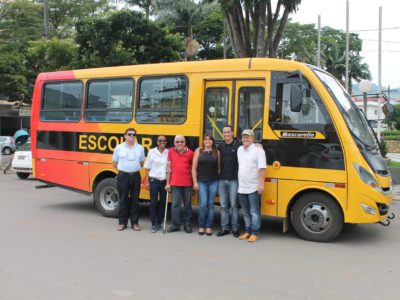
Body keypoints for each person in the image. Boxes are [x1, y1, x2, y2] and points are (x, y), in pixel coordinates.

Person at [112, 128, 145, 231]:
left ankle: (135, 223)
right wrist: (123, 170)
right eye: (129, 134)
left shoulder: (140, 148)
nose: (131, 136)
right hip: (123, 176)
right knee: (123, 199)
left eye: (134, 134)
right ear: (125, 136)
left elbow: (141, 162)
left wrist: (132, 169)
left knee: (135, 200)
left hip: (135, 176)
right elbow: (114, 162)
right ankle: (122, 223)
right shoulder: (119, 147)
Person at [237, 129, 266, 243]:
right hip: (242, 187)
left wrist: (261, 184)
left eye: (248, 137)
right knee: (246, 212)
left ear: (253, 138)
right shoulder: (239, 149)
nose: (246, 139)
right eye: (244, 137)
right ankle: (247, 231)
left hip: (253, 187)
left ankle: (255, 232)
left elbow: (262, 168)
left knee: (254, 212)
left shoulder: (258, 150)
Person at [165, 135, 194, 233]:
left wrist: (194, 183)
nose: (179, 143)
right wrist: (167, 183)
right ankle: (175, 225)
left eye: (181, 141)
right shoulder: (171, 151)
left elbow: (193, 169)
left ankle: (187, 224)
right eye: (177, 142)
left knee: (187, 205)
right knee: (175, 205)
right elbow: (168, 168)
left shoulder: (190, 153)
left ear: (185, 143)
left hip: (187, 183)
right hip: (175, 183)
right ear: (174, 143)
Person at [192, 135, 220, 236]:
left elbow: (218, 168)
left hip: (213, 181)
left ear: (212, 142)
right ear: (203, 141)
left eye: (209, 140)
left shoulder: (216, 152)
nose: (207, 141)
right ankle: (201, 226)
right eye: (206, 140)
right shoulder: (198, 152)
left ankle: (209, 226)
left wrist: (218, 180)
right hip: (202, 181)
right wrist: (195, 182)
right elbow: (194, 168)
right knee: (203, 204)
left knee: (211, 205)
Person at [216, 125, 241, 238]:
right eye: (224, 132)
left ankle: (235, 228)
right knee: (223, 206)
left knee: (234, 206)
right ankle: (224, 228)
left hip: (234, 180)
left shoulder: (239, 145)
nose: (226, 134)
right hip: (222, 180)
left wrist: (258, 145)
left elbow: (249, 146)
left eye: (228, 132)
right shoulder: (220, 146)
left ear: (232, 133)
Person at [144, 135, 169, 233]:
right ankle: (153, 223)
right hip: (154, 180)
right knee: (153, 203)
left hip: (164, 181)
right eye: (160, 140)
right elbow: (147, 167)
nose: (162, 142)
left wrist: (168, 182)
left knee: (162, 203)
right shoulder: (152, 152)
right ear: (157, 142)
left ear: (166, 142)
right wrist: (147, 181)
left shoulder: (168, 152)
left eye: (164, 140)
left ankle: (159, 222)